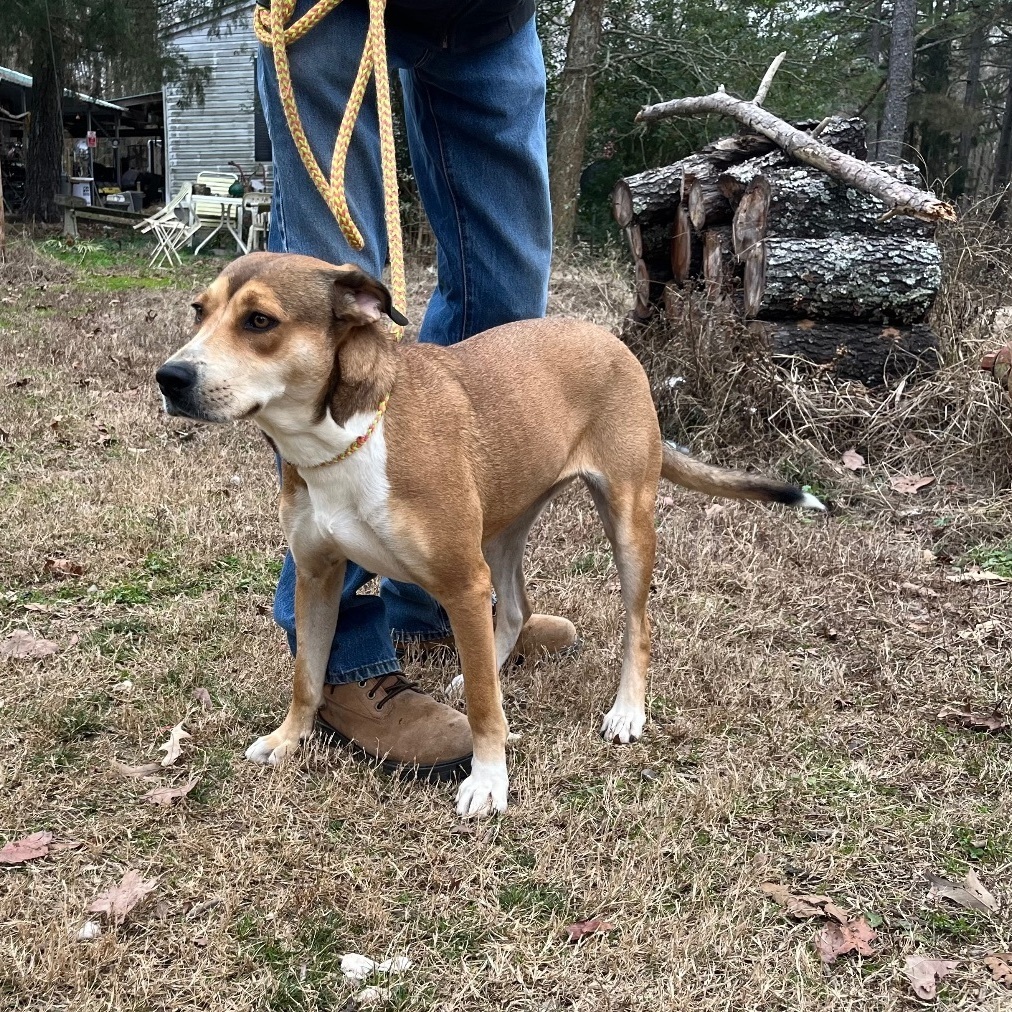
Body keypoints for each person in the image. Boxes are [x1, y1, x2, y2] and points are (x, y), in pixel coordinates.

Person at [257, 0, 578, 779]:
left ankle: (437, 589)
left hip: (489, 17)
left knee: (505, 299)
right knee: (324, 287)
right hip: (326, 11)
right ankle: (340, 659)